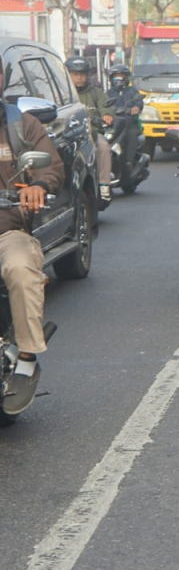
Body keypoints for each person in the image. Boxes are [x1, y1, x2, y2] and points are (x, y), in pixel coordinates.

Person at [0, 95, 64, 415]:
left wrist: (37, 185)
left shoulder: (21, 124)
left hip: (8, 232)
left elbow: (51, 165)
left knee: (21, 267)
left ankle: (26, 358)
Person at [66, 57, 113, 202]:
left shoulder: (95, 92)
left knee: (103, 146)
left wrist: (107, 115)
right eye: (75, 74)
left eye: (82, 74)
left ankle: (104, 184)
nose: (79, 77)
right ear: (68, 74)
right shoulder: (63, 93)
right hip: (69, 134)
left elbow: (105, 105)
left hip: (91, 132)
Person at [104, 66, 144, 196]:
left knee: (131, 134)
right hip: (114, 125)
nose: (119, 79)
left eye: (122, 76)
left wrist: (135, 108)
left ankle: (129, 161)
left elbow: (139, 102)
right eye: (116, 76)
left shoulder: (132, 91)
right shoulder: (108, 93)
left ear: (127, 78)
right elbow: (104, 105)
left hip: (129, 124)